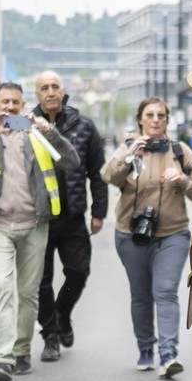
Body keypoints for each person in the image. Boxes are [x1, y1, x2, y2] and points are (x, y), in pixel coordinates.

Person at [0, 81, 81, 381]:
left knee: (27, 294)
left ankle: (22, 348)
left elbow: (72, 162)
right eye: (4, 103)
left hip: (35, 226)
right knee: (1, 286)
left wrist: (49, 131)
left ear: (23, 106)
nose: (9, 108)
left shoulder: (36, 132)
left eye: (15, 103)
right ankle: (4, 359)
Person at [101, 97, 192, 377]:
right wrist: (127, 155)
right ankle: (146, 349)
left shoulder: (179, 150)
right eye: (150, 115)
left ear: (167, 120)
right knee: (141, 296)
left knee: (165, 291)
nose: (156, 119)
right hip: (131, 235)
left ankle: (168, 355)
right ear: (140, 119)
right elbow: (107, 176)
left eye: (161, 115)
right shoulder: (128, 149)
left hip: (173, 234)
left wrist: (183, 181)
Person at [30, 71, 108, 362]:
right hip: (38, 219)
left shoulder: (83, 125)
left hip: (73, 217)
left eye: (55, 87)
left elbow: (96, 173)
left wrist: (98, 212)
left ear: (63, 91)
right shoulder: (25, 126)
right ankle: (50, 335)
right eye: (44, 88)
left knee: (79, 271)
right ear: (36, 94)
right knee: (41, 281)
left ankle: (62, 314)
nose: (51, 92)